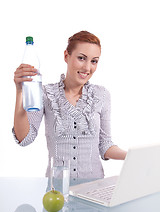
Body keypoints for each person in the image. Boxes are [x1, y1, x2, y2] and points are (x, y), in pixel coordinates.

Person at [13, 30, 127, 179]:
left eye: (94, 61)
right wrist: (20, 92)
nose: (87, 68)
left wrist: (131, 156)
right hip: (57, 190)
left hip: (94, 187)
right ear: (66, 56)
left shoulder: (102, 95)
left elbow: (105, 144)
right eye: (81, 58)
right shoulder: (47, 94)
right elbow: (24, 138)